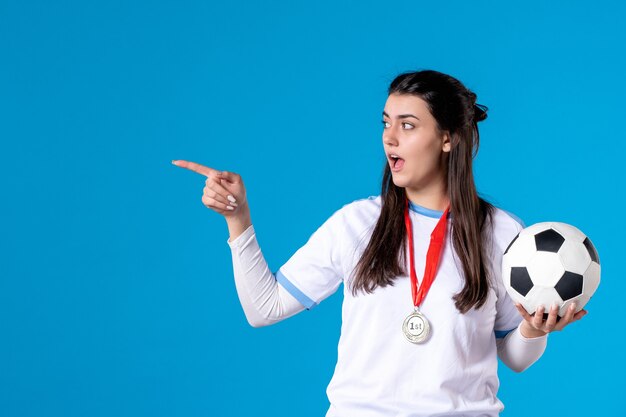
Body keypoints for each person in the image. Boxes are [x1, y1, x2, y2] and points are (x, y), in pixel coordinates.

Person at [171, 69, 587, 417]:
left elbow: (514, 359)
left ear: (448, 138)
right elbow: (264, 308)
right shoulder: (357, 223)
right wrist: (238, 218)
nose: (389, 138)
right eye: (386, 123)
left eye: (407, 125)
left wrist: (534, 329)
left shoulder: (501, 232)